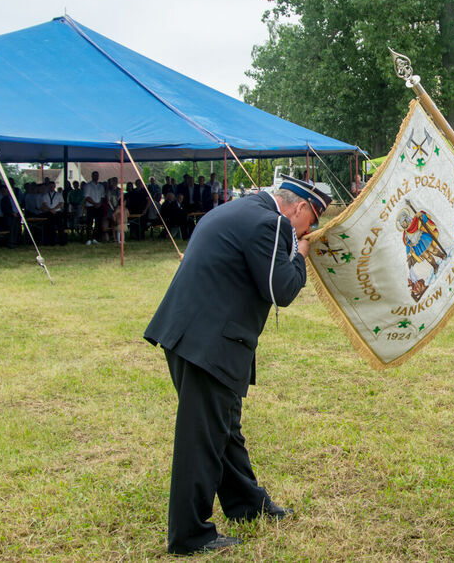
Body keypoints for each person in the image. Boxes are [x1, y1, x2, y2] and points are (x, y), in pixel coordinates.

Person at [143, 175, 331, 555]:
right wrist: (302, 253)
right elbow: (281, 290)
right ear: (297, 208)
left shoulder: (234, 208)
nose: (306, 229)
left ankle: (247, 505)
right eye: (309, 220)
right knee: (202, 441)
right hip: (209, 343)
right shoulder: (273, 223)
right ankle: (189, 536)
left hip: (189, 335)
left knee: (224, 431)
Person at [83, 171, 106, 244]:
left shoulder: (101, 186)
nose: (96, 177)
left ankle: (95, 238)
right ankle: (88, 239)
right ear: (92, 176)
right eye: (95, 175)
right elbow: (87, 196)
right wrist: (94, 203)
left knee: (98, 223)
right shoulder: (88, 185)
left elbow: (102, 196)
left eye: (97, 175)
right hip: (91, 206)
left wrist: (99, 204)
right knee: (89, 223)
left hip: (99, 206)